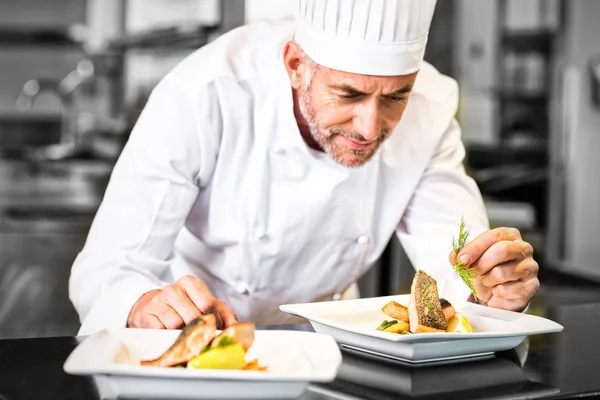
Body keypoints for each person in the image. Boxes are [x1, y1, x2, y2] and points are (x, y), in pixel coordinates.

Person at [69, 0, 539, 334]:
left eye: (395, 96)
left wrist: (492, 286)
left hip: (333, 344)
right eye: (348, 94)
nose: (370, 126)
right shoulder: (205, 92)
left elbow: (458, 264)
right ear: (296, 65)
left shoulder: (432, 105)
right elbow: (109, 266)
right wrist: (141, 303)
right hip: (199, 341)